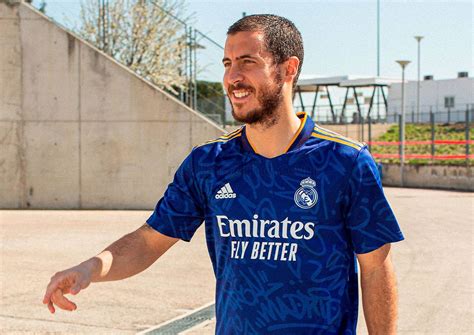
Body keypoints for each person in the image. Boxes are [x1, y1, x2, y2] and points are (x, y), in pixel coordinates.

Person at [43, 14, 404, 334]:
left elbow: (375, 268)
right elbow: (149, 241)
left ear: (288, 69)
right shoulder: (209, 163)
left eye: (248, 62)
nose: (233, 77)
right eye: (228, 63)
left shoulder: (345, 161)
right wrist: (92, 267)